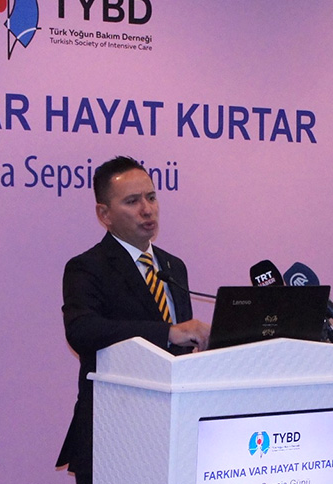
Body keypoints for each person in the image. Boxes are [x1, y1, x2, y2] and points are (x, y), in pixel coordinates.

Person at [55, 156, 211, 484]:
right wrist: (169, 332)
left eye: (151, 197)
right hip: (113, 428)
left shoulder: (173, 266)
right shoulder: (87, 268)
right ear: (104, 214)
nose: (147, 210)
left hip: (172, 427)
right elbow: (82, 331)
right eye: (132, 201)